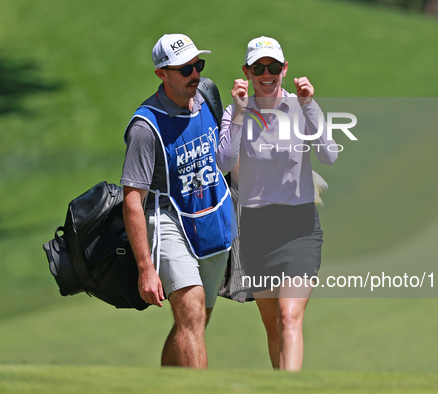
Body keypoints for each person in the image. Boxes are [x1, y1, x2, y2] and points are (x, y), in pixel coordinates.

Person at [217, 36, 338, 371]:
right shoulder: (235, 112)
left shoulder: (301, 107)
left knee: (288, 317)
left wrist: (311, 105)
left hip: (299, 227)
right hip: (256, 229)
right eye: (258, 67)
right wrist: (240, 113)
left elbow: (329, 155)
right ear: (247, 71)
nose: (266, 73)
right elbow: (225, 163)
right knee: (272, 327)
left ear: (285, 69)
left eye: (273, 66)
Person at [121, 34, 232, 369]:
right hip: (168, 221)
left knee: (196, 320)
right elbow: (132, 200)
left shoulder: (208, 96)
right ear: (162, 74)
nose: (195, 74)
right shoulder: (146, 126)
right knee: (192, 310)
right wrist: (145, 268)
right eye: (185, 69)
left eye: (198, 65)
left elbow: (224, 158)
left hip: (212, 219)